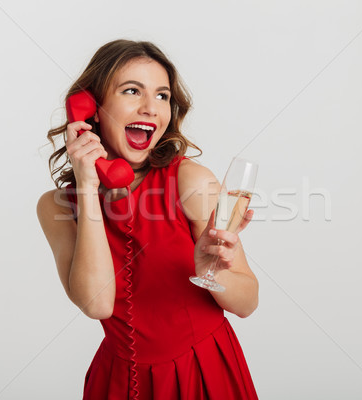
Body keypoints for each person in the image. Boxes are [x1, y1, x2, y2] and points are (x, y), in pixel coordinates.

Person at [37, 39, 259, 400]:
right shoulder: (57, 206)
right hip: (116, 382)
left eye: (162, 96)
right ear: (90, 108)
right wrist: (89, 186)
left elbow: (248, 302)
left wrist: (213, 273)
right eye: (131, 91)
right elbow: (96, 304)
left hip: (201, 373)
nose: (151, 108)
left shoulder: (191, 181)